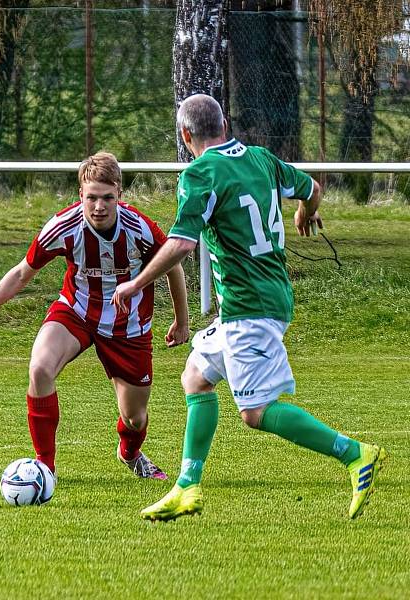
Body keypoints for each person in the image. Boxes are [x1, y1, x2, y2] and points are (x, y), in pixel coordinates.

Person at [112, 93, 387, 521]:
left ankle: (355, 453)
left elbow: (183, 244)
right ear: (224, 125)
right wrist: (304, 212)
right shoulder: (260, 158)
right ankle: (187, 487)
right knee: (196, 377)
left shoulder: (200, 173)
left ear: (186, 136)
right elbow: (313, 188)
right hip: (264, 298)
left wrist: (136, 282)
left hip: (248, 307)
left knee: (255, 412)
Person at [0, 152, 190, 480]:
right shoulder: (64, 226)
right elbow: (22, 273)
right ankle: (44, 468)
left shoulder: (140, 228)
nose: (99, 206)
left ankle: (130, 453)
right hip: (76, 312)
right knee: (39, 368)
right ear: (80, 196)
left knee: (135, 418)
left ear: (120, 194)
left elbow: (173, 266)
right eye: (91, 197)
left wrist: (182, 321)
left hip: (127, 325)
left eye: (107, 197)